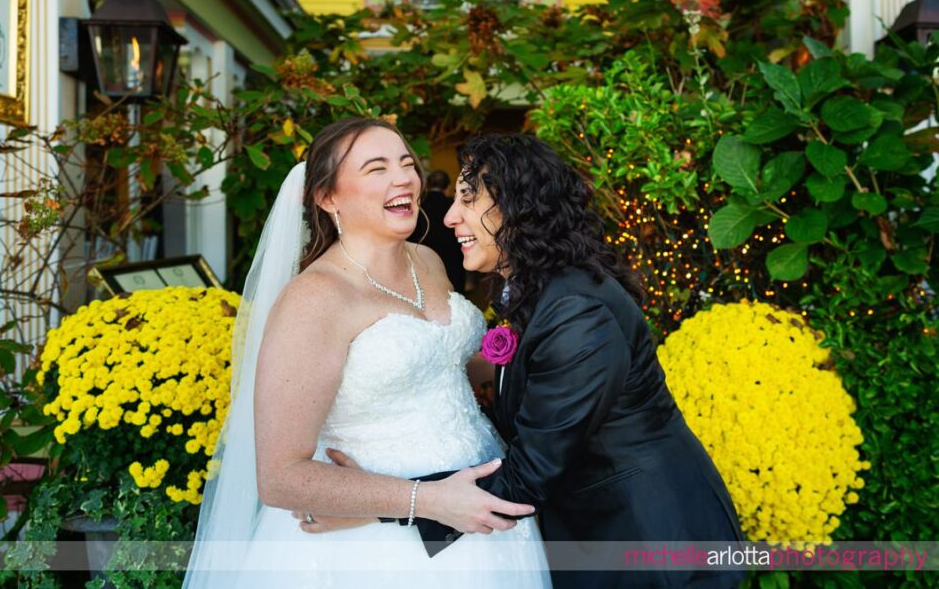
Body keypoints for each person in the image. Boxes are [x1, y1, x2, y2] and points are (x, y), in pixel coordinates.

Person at [308, 134, 745, 588]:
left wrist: (380, 505)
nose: (450, 216)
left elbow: (528, 477)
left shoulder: (578, 312)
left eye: (468, 198)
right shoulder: (539, 286)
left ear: (519, 207)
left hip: (650, 540)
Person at [183, 119, 550, 588]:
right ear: (327, 197)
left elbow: (438, 366)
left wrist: (529, 349)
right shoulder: (314, 299)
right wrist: (429, 502)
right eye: (376, 168)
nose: (403, 179)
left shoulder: (429, 261)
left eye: (405, 163)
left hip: (481, 504)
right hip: (370, 549)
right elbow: (280, 476)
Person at [410, 170, 467, 294]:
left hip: (422, 263)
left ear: (427, 186)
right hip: (452, 262)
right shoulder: (453, 205)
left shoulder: (417, 206)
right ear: (448, 187)